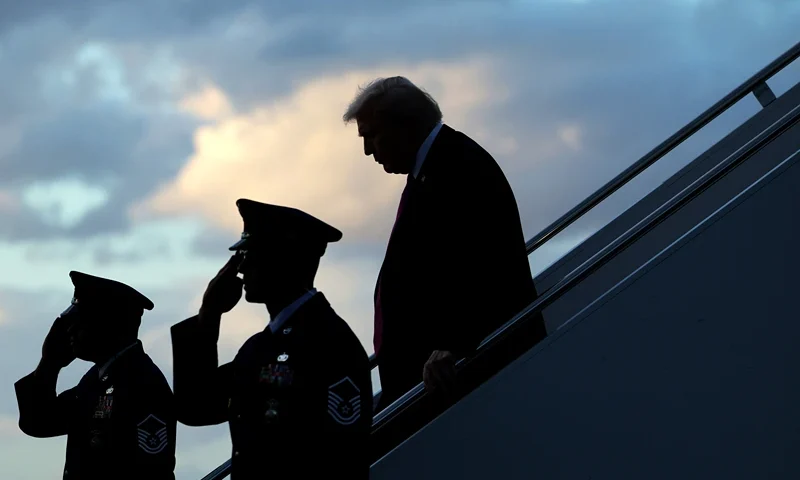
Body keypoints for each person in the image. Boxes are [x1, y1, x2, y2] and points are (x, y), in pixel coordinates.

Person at [343, 76, 548, 410]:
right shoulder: (439, 166)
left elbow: (488, 263)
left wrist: (458, 342)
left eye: (371, 135)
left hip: (460, 383)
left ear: (404, 125)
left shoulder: (458, 166)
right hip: (433, 382)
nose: (367, 150)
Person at [170, 199, 372, 479]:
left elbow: (341, 455)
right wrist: (210, 314)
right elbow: (197, 407)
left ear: (283, 259)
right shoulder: (259, 347)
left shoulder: (329, 341)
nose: (240, 268)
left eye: (251, 255)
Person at [14, 271, 176, 480]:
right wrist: (49, 364)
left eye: (80, 321)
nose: (70, 331)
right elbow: (39, 422)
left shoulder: (142, 382)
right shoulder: (97, 380)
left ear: (107, 323)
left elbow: (149, 471)